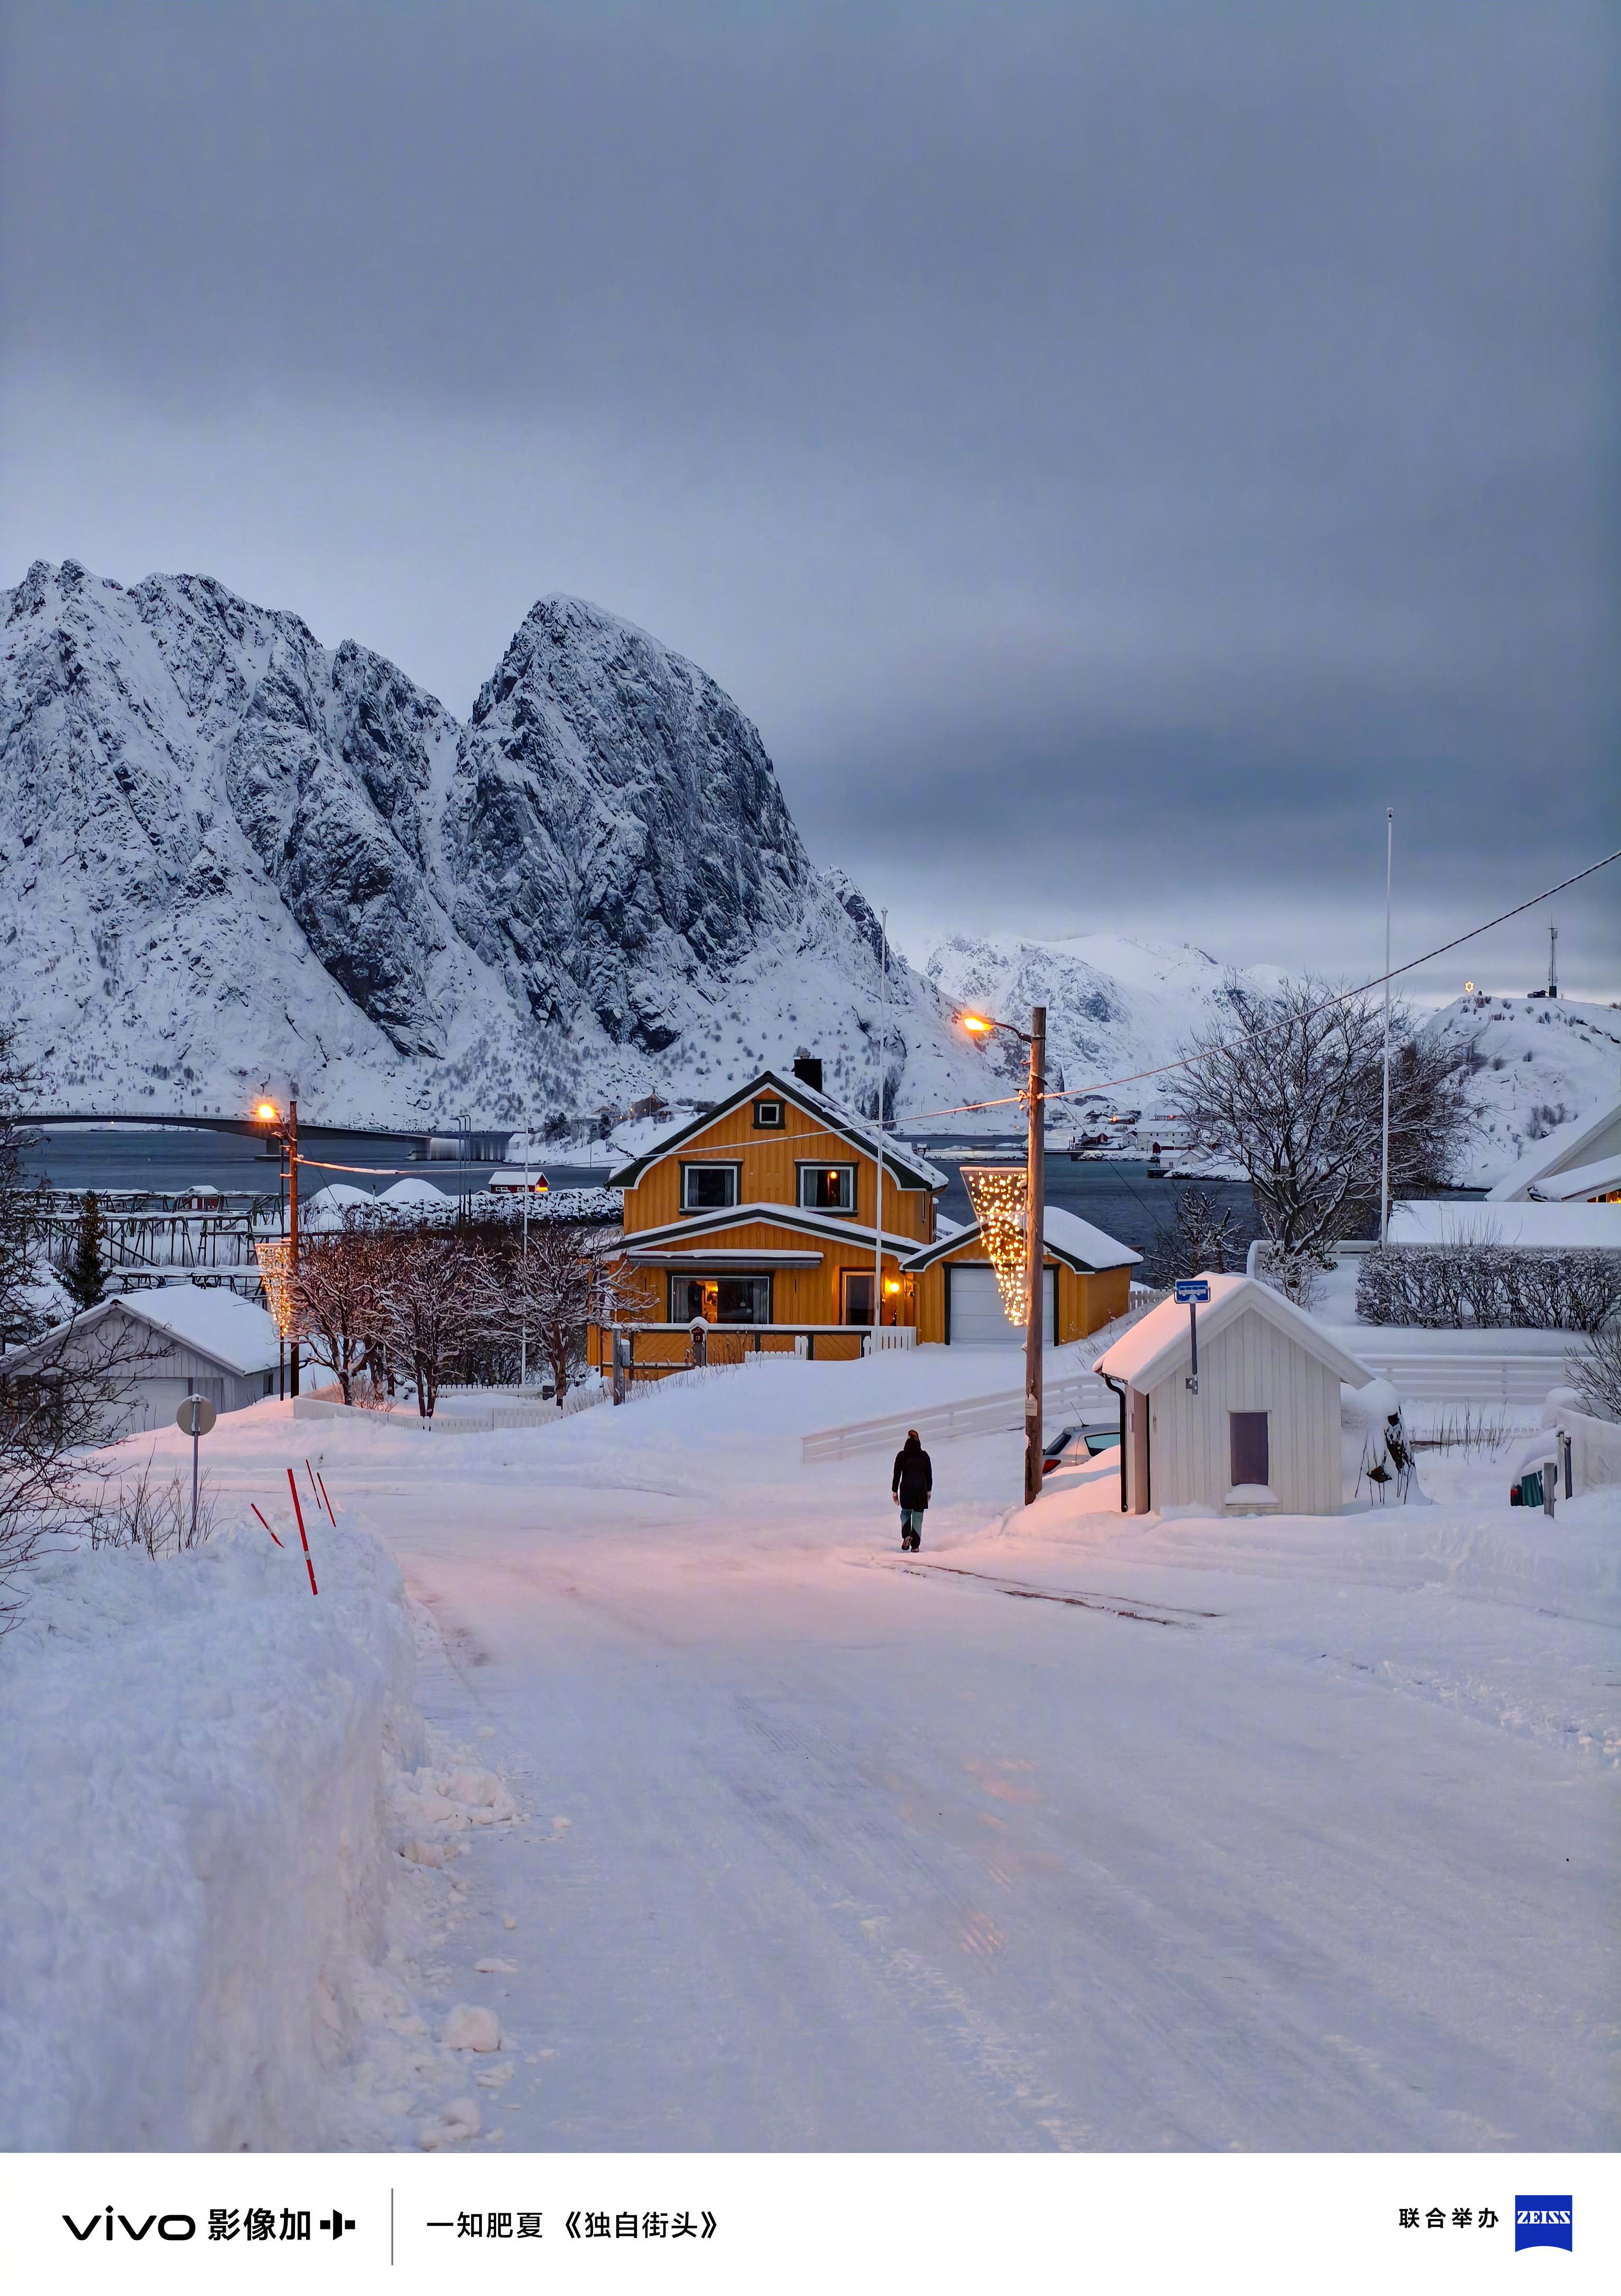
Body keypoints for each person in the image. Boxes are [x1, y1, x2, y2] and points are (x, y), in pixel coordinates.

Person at [891, 1428, 932, 1551]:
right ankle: (915, 1546)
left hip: (906, 1490)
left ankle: (907, 1535)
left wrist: (894, 1492)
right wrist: (928, 1491)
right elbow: (929, 1475)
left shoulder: (902, 1456)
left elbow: (897, 1475)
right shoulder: (924, 1455)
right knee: (918, 1516)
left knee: (905, 1513)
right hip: (921, 1490)